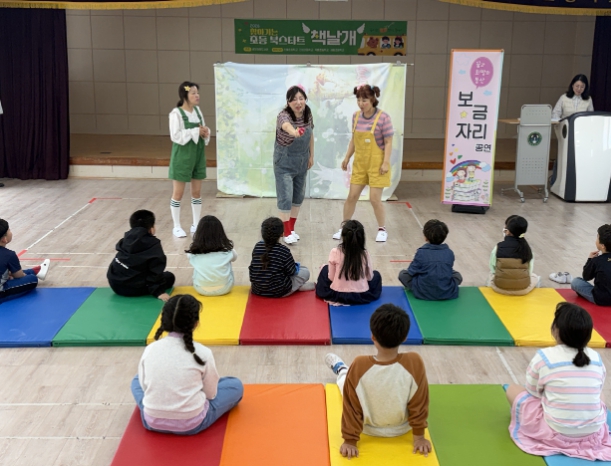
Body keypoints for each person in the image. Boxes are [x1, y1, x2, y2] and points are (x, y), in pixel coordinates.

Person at [505, 303, 611, 461]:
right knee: (600, 395)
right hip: (593, 434)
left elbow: (533, 392)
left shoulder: (544, 356)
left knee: (513, 390)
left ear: (555, 330)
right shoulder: (596, 357)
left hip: (555, 432)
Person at [324, 304, 431, 459]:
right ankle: (342, 370)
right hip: (402, 427)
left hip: (369, 428)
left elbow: (351, 405)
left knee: (346, 382)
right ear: (404, 338)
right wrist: (419, 437)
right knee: (350, 383)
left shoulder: (359, 364)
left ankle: (341, 369)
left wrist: (350, 441)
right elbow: (419, 401)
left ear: (373, 336)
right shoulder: (415, 362)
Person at [131, 295, 244, 435]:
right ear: (196, 323)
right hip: (192, 424)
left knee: (136, 380)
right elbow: (210, 394)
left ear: (164, 320)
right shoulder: (203, 352)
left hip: (152, 422)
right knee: (235, 385)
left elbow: (144, 387)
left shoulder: (150, 349)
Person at [333, 84, 394, 243]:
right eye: (358, 100)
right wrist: (347, 157)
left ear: (373, 99)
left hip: (378, 165)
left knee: (374, 199)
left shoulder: (383, 118)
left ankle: (382, 229)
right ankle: (344, 227)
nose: (361, 103)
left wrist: (386, 162)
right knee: (352, 196)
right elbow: (354, 139)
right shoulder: (356, 116)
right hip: (360, 164)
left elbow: (388, 142)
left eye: (364, 100)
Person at [168, 81, 211, 238]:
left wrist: (205, 132)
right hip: (182, 156)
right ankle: (176, 226)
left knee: (197, 192)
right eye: (193, 93)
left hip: (198, 155)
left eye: (197, 92)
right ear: (184, 95)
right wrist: (195, 131)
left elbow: (202, 129)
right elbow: (175, 136)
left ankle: (196, 224)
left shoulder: (198, 111)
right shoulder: (176, 113)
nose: (197, 95)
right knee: (178, 193)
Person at [273, 85, 314, 245]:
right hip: (284, 162)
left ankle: (290, 229)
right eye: (294, 99)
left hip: (302, 161)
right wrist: (294, 132)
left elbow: (311, 135)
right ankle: (287, 231)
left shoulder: (308, 113)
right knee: (286, 196)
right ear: (288, 102)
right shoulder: (283, 115)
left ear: (305, 99)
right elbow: (286, 126)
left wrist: (311, 155)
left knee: (298, 196)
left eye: (301, 98)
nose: (298, 102)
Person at [107, 210, 175, 302]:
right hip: (132, 288)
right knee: (169, 277)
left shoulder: (125, 238)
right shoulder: (153, 244)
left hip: (114, 283)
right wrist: (158, 291)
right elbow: (155, 270)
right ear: (151, 229)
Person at [315, 219, 382, 305]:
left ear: (343, 237)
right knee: (376, 275)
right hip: (361, 295)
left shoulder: (335, 252)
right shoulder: (365, 254)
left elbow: (331, 278)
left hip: (337, 294)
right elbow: (369, 277)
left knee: (324, 269)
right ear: (362, 238)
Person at [248, 217, 314, 297]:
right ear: (282, 234)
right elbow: (292, 272)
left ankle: (296, 287)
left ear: (262, 232)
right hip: (279, 291)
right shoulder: (283, 250)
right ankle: (296, 287)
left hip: (257, 289)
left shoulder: (257, 246)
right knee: (305, 271)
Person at [398, 219, 462, 300]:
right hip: (447, 292)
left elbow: (412, 271)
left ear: (425, 237)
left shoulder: (421, 252)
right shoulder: (449, 252)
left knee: (403, 274)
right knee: (457, 275)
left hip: (423, 292)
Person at [550, 74, 594, 186]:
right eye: (577, 86)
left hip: (581, 133)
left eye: (582, 87)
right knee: (562, 156)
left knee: (578, 158)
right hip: (565, 132)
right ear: (572, 85)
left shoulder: (588, 99)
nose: (579, 89)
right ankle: (555, 182)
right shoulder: (564, 98)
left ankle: (576, 184)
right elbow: (555, 113)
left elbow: (591, 116)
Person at [0, 219, 49, 303]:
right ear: (4, 239)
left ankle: (36, 270)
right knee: (32, 279)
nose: (11, 232)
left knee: (9, 272)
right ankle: (35, 272)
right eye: (9, 230)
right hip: (1, 293)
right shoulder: (9, 255)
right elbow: (19, 276)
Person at [186, 215, 237, 297]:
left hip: (200, 289)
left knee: (197, 265)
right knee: (228, 263)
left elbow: (189, 257)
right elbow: (235, 258)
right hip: (225, 288)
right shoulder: (227, 250)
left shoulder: (193, 251)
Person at [488, 215, 539, 296]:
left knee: (491, 274)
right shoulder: (527, 249)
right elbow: (529, 270)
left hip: (499, 288)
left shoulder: (498, 247)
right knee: (534, 277)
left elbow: (492, 267)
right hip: (523, 290)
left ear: (508, 231)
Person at [569, 224, 611, 306]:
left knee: (576, 282)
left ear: (602, 246)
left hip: (600, 299)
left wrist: (590, 259)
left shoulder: (597, 260)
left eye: (597, 238)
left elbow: (586, 277)